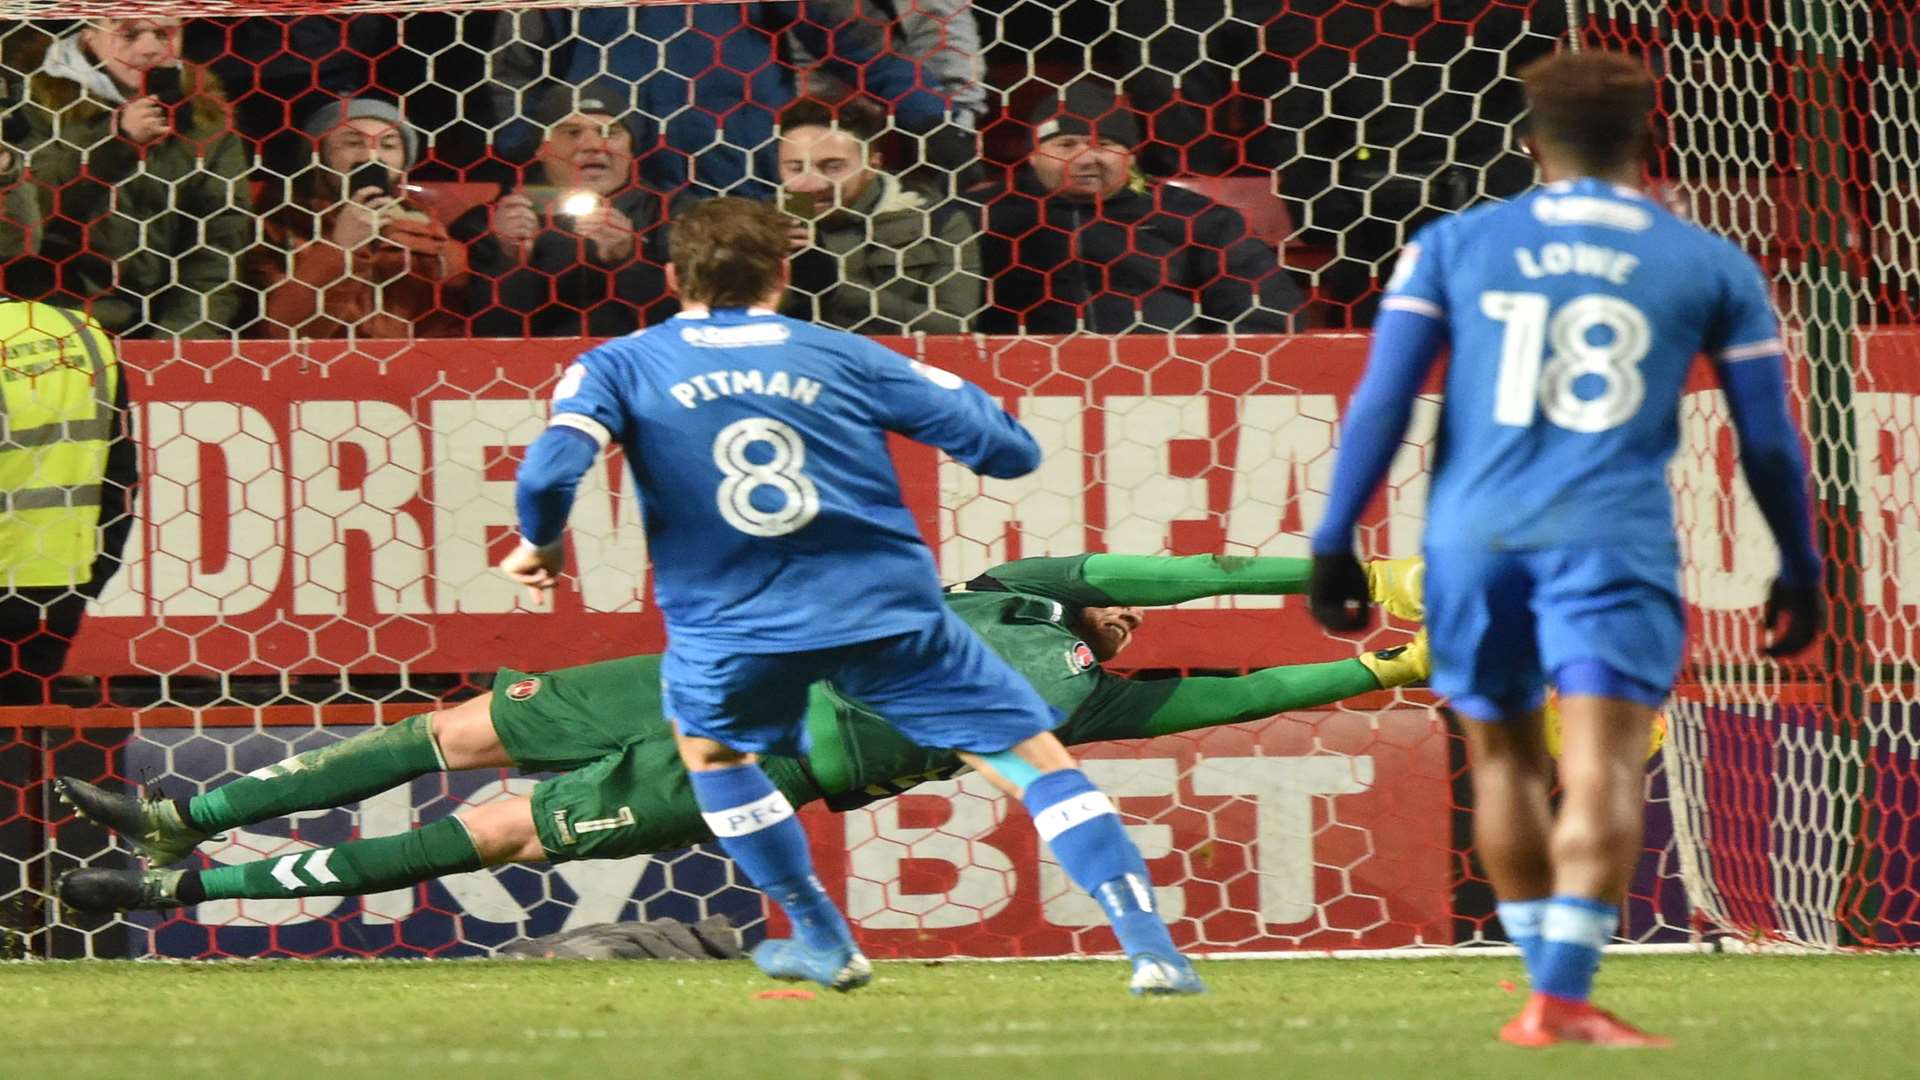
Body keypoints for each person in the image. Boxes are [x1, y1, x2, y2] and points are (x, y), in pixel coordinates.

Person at [499, 197, 1201, 995]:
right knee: (1037, 764)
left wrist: (541, 543)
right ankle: (1154, 953)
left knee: (716, 755)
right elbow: (1008, 451)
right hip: (885, 611)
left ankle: (825, 941)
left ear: (671, 275)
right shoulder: (843, 355)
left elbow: (550, 470)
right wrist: (939, 384)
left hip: (736, 625)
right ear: (783, 273)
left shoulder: (619, 363)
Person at [1306, 51, 1824, 1047]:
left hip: (1472, 539)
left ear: (1530, 138)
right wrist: (1797, 561)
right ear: (1645, 139)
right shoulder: (1709, 260)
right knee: (1604, 769)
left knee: (1499, 760)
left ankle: (1548, 993)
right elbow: (1765, 437)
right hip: (1609, 542)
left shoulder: (1455, 243)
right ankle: (1561, 996)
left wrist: (1336, 539)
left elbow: (1384, 397)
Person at [53, 552, 1428, 919]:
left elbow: (1241, 696)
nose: (1131, 623)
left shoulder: (1078, 700)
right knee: (461, 728)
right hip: (703, 672)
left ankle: (191, 884)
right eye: (1121, 613)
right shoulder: (1038, 593)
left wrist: (1369, 668)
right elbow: (1160, 572)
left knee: (499, 829)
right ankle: (194, 812)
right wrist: (1317, 567)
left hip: (766, 763)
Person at [975, 79, 1303, 335]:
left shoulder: (1194, 217)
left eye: (1104, 145)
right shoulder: (988, 215)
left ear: (1131, 157)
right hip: (1021, 385)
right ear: (1033, 156)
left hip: (1170, 387)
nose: (1086, 158)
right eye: (1066, 144)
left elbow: (1265, 312)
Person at [13, 18, 255, 339]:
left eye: (164, 33)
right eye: (128, 33)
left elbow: (218, 249)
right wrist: (116, 143)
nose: (149, 48)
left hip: (162, 329)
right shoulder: (31, 107)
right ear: (88, 34)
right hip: (49, 326)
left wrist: (180, 339)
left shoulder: (206, 120)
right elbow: (22, 220)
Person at [485, 6, 790, 199]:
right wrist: (534, 158)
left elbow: (832, 30)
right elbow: (516, 68)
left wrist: (821, 127)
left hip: (742, 173)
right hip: (613, 183)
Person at [0, 296, 136, 705]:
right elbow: (121, 473)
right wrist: (91, 577)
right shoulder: (82, 332)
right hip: (54, 586)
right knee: (21, 744)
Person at [458, 82, 672, 338]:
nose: (594, 146)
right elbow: (480, 336)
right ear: (541, 148)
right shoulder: (486, 223)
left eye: (610, 133)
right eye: (572, 133)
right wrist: (511, 261)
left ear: (631, 148)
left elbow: (687, 328)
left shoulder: (672, 216)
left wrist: (628, 262)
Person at [252, 97, 469, 339]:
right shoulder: (279, 227)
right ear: (318, 155)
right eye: (353, 143)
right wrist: (340, 249)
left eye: (388, 146)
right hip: (319, 369)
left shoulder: (427, 226)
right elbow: (286, 333)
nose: (371, 156)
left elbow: (459, 319)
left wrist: (430, 245)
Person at [775, 99, 980, 334]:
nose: (815, 183)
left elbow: (954, 327)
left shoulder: (937, 224)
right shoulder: (758, 227)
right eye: (796, 168)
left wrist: (837, 290)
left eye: (833, 167)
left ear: (872, 165)